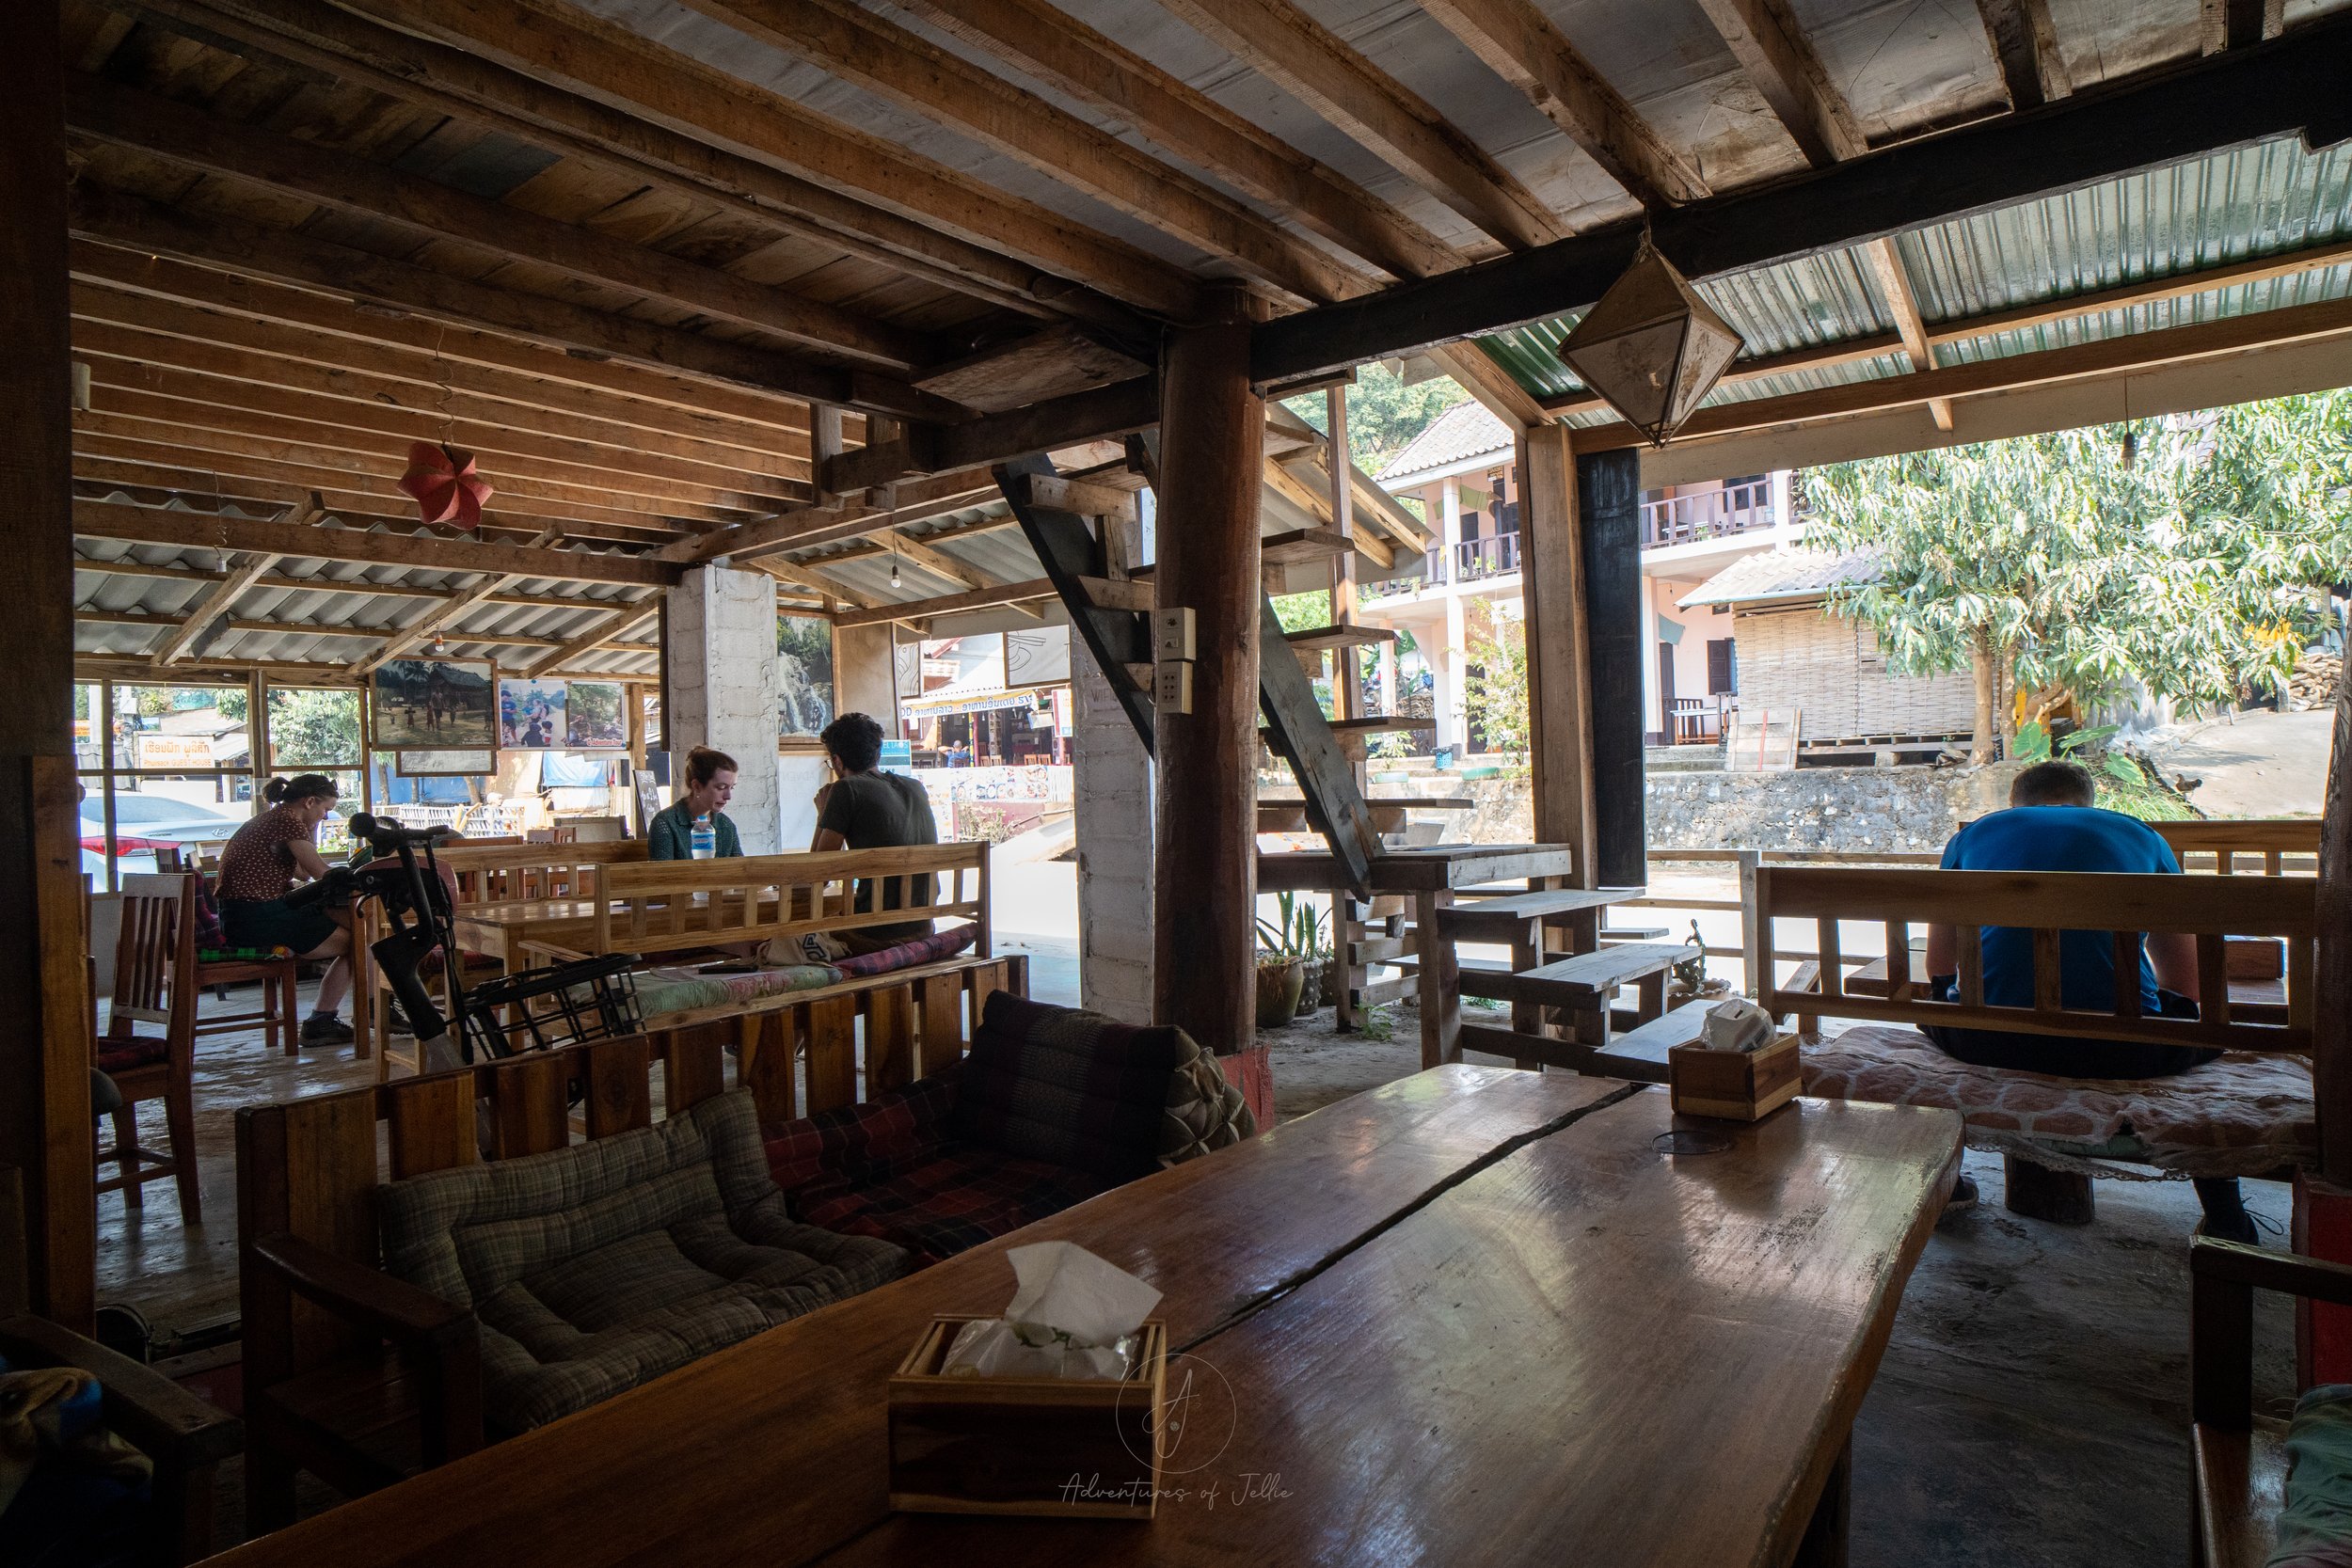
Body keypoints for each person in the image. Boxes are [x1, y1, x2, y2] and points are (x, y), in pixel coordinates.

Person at [1924, 759, 2252, 1240]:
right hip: (2126, 1054)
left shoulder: (1973, 836)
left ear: (2015, 804)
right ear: (2090, 802)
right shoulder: (2140, 836)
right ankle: (2227, 1216)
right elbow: (2188, 983)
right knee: (2193, 1026)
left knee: (1942, 1006)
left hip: (1986, 1042)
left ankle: (1946, 1183)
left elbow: (1939, 968)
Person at [215, 773, 356, 1047]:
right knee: (361, 941)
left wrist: (311, 826)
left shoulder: (275, 819)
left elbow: (302, 873)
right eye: (325, 809)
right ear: (309, 801)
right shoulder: (286, 821)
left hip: (240, 916)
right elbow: (320, 873)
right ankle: (324, 1020)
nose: (326, 817)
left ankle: (324, 1019)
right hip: (256, 918)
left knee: (357, 931)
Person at [801, 713, 940, 958]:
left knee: (791, 933)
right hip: (923, 925)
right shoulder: (915, 787)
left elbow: (817, 875)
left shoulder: (846, 789)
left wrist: (822, 816)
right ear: (877, 752)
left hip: (875, 932)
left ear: (837, 761)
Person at [647, 747, 744, 860]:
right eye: (721, 787)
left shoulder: (725, 825)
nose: (728, 796)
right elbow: (662, 875)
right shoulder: (665, 823)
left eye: (731, 788)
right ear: (697, 786)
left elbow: (740, 870)